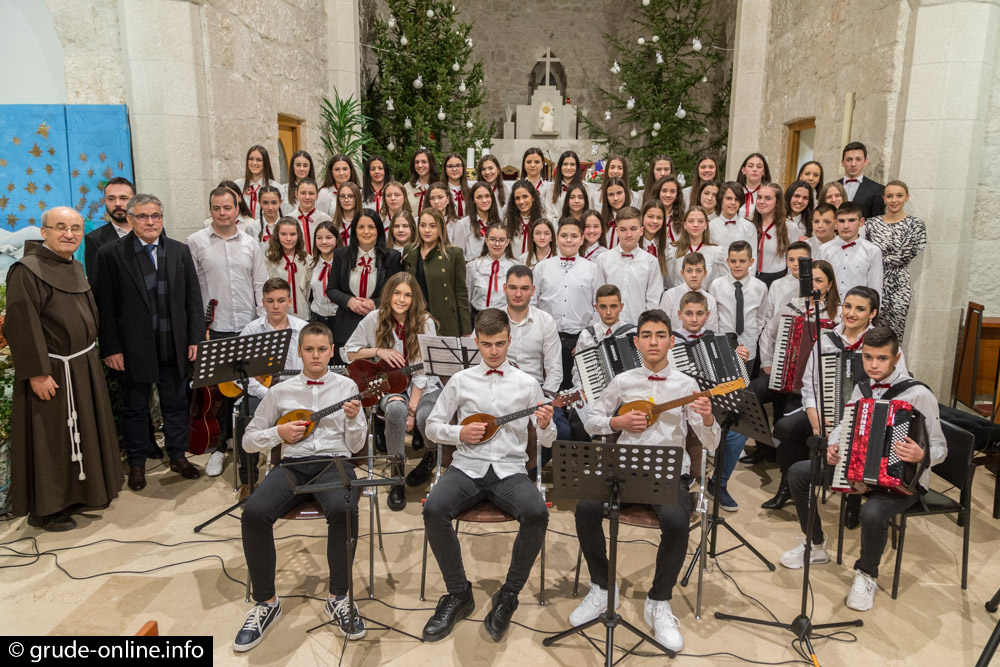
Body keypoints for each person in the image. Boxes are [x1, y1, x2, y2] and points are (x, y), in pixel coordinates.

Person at [572, 309, 719, 652]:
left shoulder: (687, 386)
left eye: (661, 335)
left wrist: (709, 418)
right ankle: (603, 586)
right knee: (585, 509)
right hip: (622, 469)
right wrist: (617, 424)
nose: (654, 342)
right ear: (637, 342)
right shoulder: (622, 381)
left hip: (669, 472)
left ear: (671, 340)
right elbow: (592, 421)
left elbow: (709, 443)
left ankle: (659, 601)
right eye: (647, 335)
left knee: (676, 520)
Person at [777, 326, 943, 613]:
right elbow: (847, 422)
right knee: (799, 473)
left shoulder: (918, 394)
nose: (873, 365)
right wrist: (834, 445)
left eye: (881, 359)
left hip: (905, 478)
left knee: (872, 511)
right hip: (858, 466)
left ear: (896, 358)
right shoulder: (862, 387)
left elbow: (941, 447)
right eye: (868, 358)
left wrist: (921, 454)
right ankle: (815, 544)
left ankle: (867, 574)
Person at [422, 308, 555, 643]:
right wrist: (458, 435)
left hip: (510, 470)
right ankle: (458, 594)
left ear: (510, 340)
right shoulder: (460, 381)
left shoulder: (527, 383)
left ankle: (508, 594)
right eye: (486, 344)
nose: (494, 352)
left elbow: (549, 438)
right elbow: (432, 425)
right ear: (475, 342)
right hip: (467, 467)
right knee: (433, 508)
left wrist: (544, 424)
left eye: (500, 343)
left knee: (537, 513)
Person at [233, 322, 367, 651]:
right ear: (300, 351)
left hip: (334, 462)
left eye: (322, 349)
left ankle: (338, 596)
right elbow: (249, 441)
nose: (316, 355)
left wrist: (352, 419)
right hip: (291, 465)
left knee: (344, 508)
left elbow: (355, 445)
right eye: (309, 349)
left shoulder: (348, 387)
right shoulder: (280, 391)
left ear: (332, 350)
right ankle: (266, 603)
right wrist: (278, 435)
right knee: (254, 513)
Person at [4, 207, 123, 531]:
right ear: (44, 232)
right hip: (53, 370)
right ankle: (47, 508)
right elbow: (21, 325)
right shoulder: (26, 271)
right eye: (60, 228)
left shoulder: (75, 265)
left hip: (81, 365)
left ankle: (84, 493)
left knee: (81, 430)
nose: (69, 234)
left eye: (75, 228)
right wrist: (37, 373)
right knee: (52, 438)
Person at [93, 193, 204, 492]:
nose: (150, 221)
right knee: (135, 408)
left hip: (174, 344)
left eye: (155, 215)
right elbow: (104, 306)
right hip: (132, 349)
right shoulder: (110, 254)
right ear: (130, 220)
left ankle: (178, 456)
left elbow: (193, 299)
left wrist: (195, 338)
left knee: (176, 404)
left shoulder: (180, 251)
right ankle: (138, 463)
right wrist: (111, 348)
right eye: (142, 216)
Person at [763, 286, 900, 511]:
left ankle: (853, 498)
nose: (851, 313)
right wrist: (813, 414)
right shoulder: (827, 340)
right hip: (824, 411)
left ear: (873, 313)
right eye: (847, 306)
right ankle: (788, 484)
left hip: (861, 419)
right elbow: (810, 382)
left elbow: (892, 387)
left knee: (856, 441)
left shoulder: (882, 344)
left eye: (860, 309)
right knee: (784, 429)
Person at [187, 187, 268, 477]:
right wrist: (197, 332)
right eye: (216, 208)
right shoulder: (195, 243)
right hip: (216, 330)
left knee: (249, 391)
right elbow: (191, 291)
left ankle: (249, 446)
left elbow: (260, 284)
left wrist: (262, 324)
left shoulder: (250, 243)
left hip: (248, 328)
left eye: (228, 208)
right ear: (210, 210)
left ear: (238, 210)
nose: (222, 213)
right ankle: (220, 448)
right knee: (220, 396)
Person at [344, 273, 439, 510]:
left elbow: (423, 373)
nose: (401, 299)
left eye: (408, 295)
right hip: (390, 386)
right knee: (395, 408)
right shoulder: (374, 318)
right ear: (389, 295)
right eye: (397, 293)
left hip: (424, 386)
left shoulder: (425, 321)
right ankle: (397, 475)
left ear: (414, 298)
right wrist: (378, 351)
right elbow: (348, 352)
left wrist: (413, 409)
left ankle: (430, 456)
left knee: (425, 416)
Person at [235, 278, 309, 487]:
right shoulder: (251, 330)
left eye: (280, 300)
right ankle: (248, 481)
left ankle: (291, 474)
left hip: (295, 390)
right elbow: (238, 372)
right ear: (263, 302)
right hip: (261, 391)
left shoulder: (303, 329)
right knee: (246, 417)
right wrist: (263, 392)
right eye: (270, 301)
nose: (275, 306)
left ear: (289, 301)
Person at [502, 265, 572, 447]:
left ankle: (529, 471)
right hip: (500, 388)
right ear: (504, 288)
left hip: (537, 390)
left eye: (524, 288)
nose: (518, 294)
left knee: (562, 432)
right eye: (513, 288)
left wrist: (543, 402)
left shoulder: (545, 320)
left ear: (533, 290)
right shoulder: (493, 318)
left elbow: (555, 370)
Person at [532, 218, 604, 389]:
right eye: (564, 235)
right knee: (549, 386)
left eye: (574, 236)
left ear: (581, 239)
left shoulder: (592, 269)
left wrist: (586, 337)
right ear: (557, 238)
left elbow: (599, 305)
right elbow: (533, 302)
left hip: (579, 338)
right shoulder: (542, 267)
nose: (569, 240)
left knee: (577, 388)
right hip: (549, 337)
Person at [326, 212, 403, 360]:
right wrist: (349, 301)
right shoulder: (341, 255)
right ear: (354, 230)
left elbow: (397, 293)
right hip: (346, 326)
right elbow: (331, 289)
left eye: (371, 227)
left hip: (380, 327)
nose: (366, 232)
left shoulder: (392, 256)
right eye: (361, 227)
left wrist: (374, 304)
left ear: (379, 230)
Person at [863, 180, 927, 340]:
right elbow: (865, 255)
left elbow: (903, 256)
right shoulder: (871, 224)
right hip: (872, 285)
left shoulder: (916, 225)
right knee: (868, 334)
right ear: (884, 199)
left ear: (907, 197)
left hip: (899, 287)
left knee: (892, 338)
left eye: (899, 195)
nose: (894, 200)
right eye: (890, 196)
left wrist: (877, 258)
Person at [402, 207, 471, 337]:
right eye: (423, 225)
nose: (427, 230)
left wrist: (466, 329)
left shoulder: (454, 254)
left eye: (432, 226)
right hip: (415, 317)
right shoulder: (409, 251)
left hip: (445, 319)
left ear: (440, 228)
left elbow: (461, 293)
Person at [594, 206, 661, 325]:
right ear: (617, 231)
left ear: (641, 231)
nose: (628, 234)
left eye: (633, 229)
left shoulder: (651, 262)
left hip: (638, 326)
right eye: (623, 229)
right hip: (608, 327)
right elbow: (597, 297)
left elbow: (653, 300)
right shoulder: (603, 259)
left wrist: (645, 327)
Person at [709, 241, 767, 366]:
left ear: (751, 262)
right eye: (733, 261)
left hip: (748, 345)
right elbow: (713, 317)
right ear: (728, 261)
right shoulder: (717, 285)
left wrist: (753, 336)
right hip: (723, 345)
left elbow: (760, 317)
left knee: (745, 383)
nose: (737, 265)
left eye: (742, 261)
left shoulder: (760, 287)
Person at [819, 201, 884, 298]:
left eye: (851, 220)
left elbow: (875, 287)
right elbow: (818, 282)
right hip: (829, 308)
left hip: (858, 308)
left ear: (861, 222)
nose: (846, 226)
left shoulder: (872, 251)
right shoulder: (824, 249)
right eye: (841, 221)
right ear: (835, 223)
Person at [83, 177, 136, 278]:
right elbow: (97, 283)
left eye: (123, 198)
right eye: (111, 199)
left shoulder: (150, 231)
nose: (117, 204)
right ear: (105, 201)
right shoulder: (94, 239)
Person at [264, 217, 312, 321]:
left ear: (298, 235)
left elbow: (309, 291)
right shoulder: (269, 261)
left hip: (303, 315)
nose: (288, 239)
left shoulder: (307, 260)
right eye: (283, 234)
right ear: (277, 236)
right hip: (278, 317)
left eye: (293, 234)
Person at [658, 252, 720, 333]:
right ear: (682, 273)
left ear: (705, 274)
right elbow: (662, 328)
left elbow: (711, 331)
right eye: (689, 271)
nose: (694, 275)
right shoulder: (670, 295)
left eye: (698, 271)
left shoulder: (710, 300)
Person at [468, 223, 519, 318]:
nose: (497, 244)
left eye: (501, 240)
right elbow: (467, 296)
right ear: (486, 241)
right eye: (492, 239)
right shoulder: (473, 266)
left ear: (507, 242)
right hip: (478, 317)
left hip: (506, 318)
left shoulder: (515, 267)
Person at [669, 206, 727, 288]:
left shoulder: (716, 252)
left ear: (706, 225)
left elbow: (717, 284)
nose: (695, 225)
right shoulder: (672, 250)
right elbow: (668, 281)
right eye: (691, 221)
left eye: (700, 221)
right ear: (685, 225)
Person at [751, 183, 794, 287]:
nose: (762, 202)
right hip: (753, 278)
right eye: (759, 197)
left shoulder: (789, 226)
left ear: (778, 202)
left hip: (777, 279)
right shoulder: (750, 225)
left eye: (768, 198)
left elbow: (794, 256)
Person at [762, 241, 813, 325]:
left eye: (800, 259)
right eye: (791, 260)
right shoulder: (777, 285)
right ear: (787, 262)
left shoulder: (817, 284)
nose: (796, 264)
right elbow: (769, 316)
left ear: (810, 261)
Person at [453, 182, 503, 262]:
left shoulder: (499, 223)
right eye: (479, 197)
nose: (484, 200)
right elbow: (457, 257)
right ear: (473, 200)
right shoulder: (463, 224)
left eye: (487, 196)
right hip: (472, 272)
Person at [839, 141, 885, 219]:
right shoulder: (832, 187)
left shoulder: (877, 190)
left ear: (865, 161)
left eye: (858, 159)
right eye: (849, 160)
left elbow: (877, 223)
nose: (853, 164)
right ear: (842, 162)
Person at [234, 145, 281, 219]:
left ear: (265, 162)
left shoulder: (276, 187)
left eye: (259, 160)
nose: (254, 163)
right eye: (251, 159)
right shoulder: (238, 185)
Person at [308, 221, 339, 331]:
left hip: (339, 318)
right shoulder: (311, 264)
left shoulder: (344, 263)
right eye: (319, 238)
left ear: (336, 239)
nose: (324, 242)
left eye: (329, 237)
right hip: (317, 317)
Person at [503, 179, 546, 257]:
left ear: (533, 197)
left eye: (525, 196)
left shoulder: (544, 220)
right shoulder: (507, 222)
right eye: (517, 198)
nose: (521, 201)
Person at [290, 178, 331, 255]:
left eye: (311, 193)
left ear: (317, 196)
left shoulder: (325, 219)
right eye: (303, 193)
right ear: (296, 194)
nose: (307, 197)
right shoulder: (289, 219)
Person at [282, 150, 331, 216]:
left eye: (305, 165)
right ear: (292, 167)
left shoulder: (320, 191)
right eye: (298, 165)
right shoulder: (283, 190)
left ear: (310, 168)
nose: (301, 168)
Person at [544, 150, 584, 220]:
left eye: (572, 164)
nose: (568, 168)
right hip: (557, 226)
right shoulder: (551, 188)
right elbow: (549, 213)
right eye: (565, 164)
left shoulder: (585, 187)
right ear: (560, 167)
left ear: (577, 167)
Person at [318, 153, 360, 218]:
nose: (341, 173)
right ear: (331, 172)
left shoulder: (360, 192)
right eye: (337, 169)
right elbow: (321, 219)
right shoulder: (324, 193)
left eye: (345, 169)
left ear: (351, 170)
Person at [736, 153, 771, 219]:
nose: (754, 169)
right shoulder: (735, 192)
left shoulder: (769, 195)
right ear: (743, 170)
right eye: (750, 166)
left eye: (759, 167)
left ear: (764, 172)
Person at [405, 148, 440, 214]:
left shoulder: (439, 188)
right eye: (417, 162)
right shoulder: (406, 188)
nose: (420, 165)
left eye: (424, 162)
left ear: (431, 163)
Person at [600, 177, 630, 247]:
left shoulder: (634, 217)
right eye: (611, 195)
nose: (615, 198)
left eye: (619, 193)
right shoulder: (601, 220)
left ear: (625, 193)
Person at [331, 182, 362, 247]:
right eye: (342, 196)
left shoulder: (364, 222)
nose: (346, 200)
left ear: (357, 198)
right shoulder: (333, 223)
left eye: (351, 196)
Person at [443, 152, 472, 219]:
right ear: (445, 169)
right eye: (450, 166)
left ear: (463, 167)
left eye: (458, 166)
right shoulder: (440, 191)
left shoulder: (470, 191)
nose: (454, 169)